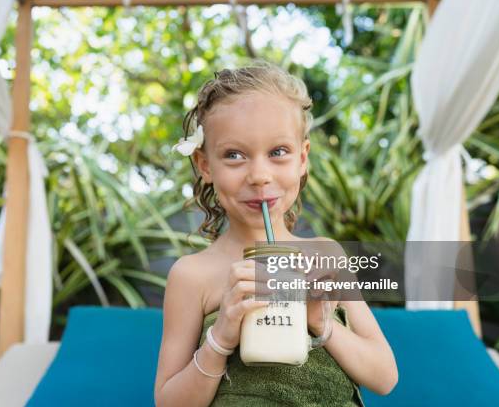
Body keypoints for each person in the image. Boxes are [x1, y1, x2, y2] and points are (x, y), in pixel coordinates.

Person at [154, 61, 397, 407]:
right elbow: (168, 403)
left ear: (302, 158)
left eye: (278, 152)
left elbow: (385, 377)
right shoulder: (192, 276)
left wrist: (320, 323)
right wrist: (220, 338)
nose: (259, 175)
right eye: (234, 155)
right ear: (205, 165)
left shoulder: (326, 256)